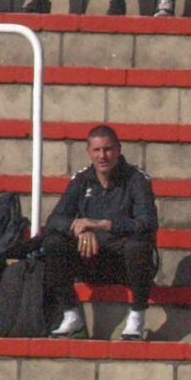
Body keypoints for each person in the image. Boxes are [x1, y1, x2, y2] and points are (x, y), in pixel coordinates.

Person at [40, 125, 157, 343]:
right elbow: (55, 220)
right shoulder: (82, 179)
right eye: (97, 150)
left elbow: (147, 223)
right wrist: (80, 228)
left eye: (108, 149)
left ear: (118, 150)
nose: (102, 156)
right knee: (54, 242)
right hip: (90, 259)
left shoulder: (137, 180)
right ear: (89, 152)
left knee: (138, 246)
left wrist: (104, 225)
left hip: (125, 262)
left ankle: (137, 317)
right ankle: (72, 316)